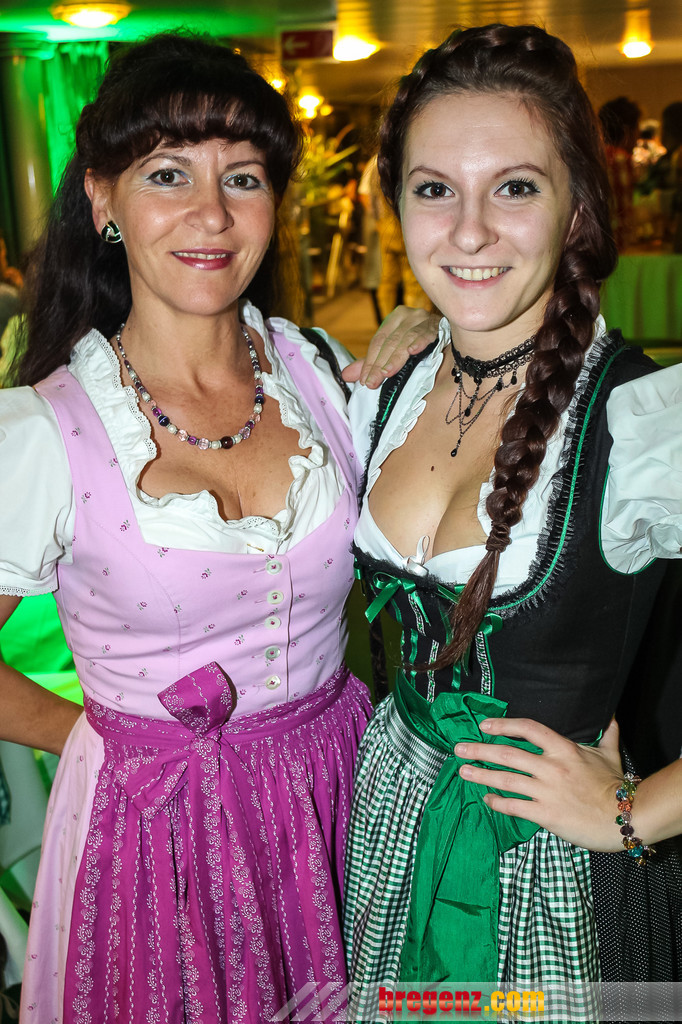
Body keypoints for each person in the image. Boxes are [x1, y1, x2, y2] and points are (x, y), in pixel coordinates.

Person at [0, 32, 430, 1023]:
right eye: (167, 174)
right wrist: (98, 739)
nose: (211, 214)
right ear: (102, 201)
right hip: (152, 833)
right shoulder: (44, 432)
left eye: (242, 177)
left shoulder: (321, 373)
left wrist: (435, 337)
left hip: (336, 794)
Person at [343, 22, 682, 1011]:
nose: (469, 232)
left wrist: (635, 813)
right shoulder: (387, 382)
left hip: (550, 868)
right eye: (434, 189)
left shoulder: (643, 419)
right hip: (391, 821)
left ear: (577, 206)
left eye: (516, 188)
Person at [598, 96, 641, 250]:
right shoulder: (621, 159)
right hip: (617, 249)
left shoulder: (593, 156)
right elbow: (624, 217)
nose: (638, 138)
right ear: (627, 131)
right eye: (637, 130)